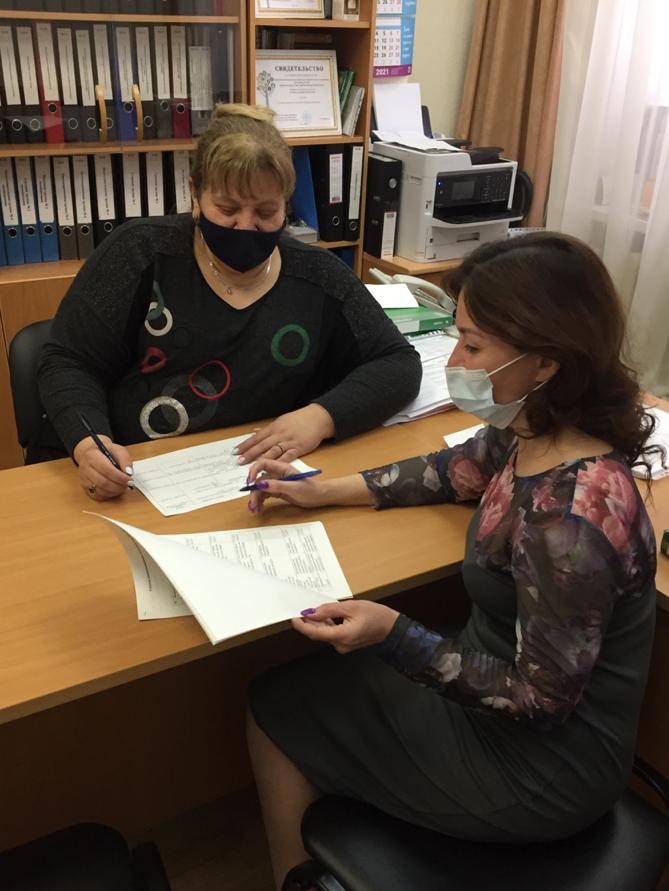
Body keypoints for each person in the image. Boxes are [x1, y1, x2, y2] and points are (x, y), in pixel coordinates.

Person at [244, 231, 660, 889]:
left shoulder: (568, 519)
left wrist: (394, 633)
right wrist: (321, 490)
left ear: (544, 362)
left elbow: (539, 699)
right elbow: (454, 468)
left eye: (471, 344)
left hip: (543, 768)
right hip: (506, 698)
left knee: (276, 704)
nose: (455, 359)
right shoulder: (534, 430)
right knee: (319, 685)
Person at [36, 103, 421, 500]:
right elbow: (69, 362)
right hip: (139, 479)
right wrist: (90, 446)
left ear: (286, 205)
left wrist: (321, 417)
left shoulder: (317, 275)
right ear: (195, 195)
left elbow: (398, 362)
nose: (246, 226)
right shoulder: (139, 253)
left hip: (254, 486)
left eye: (266, 212)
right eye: (228, 209)